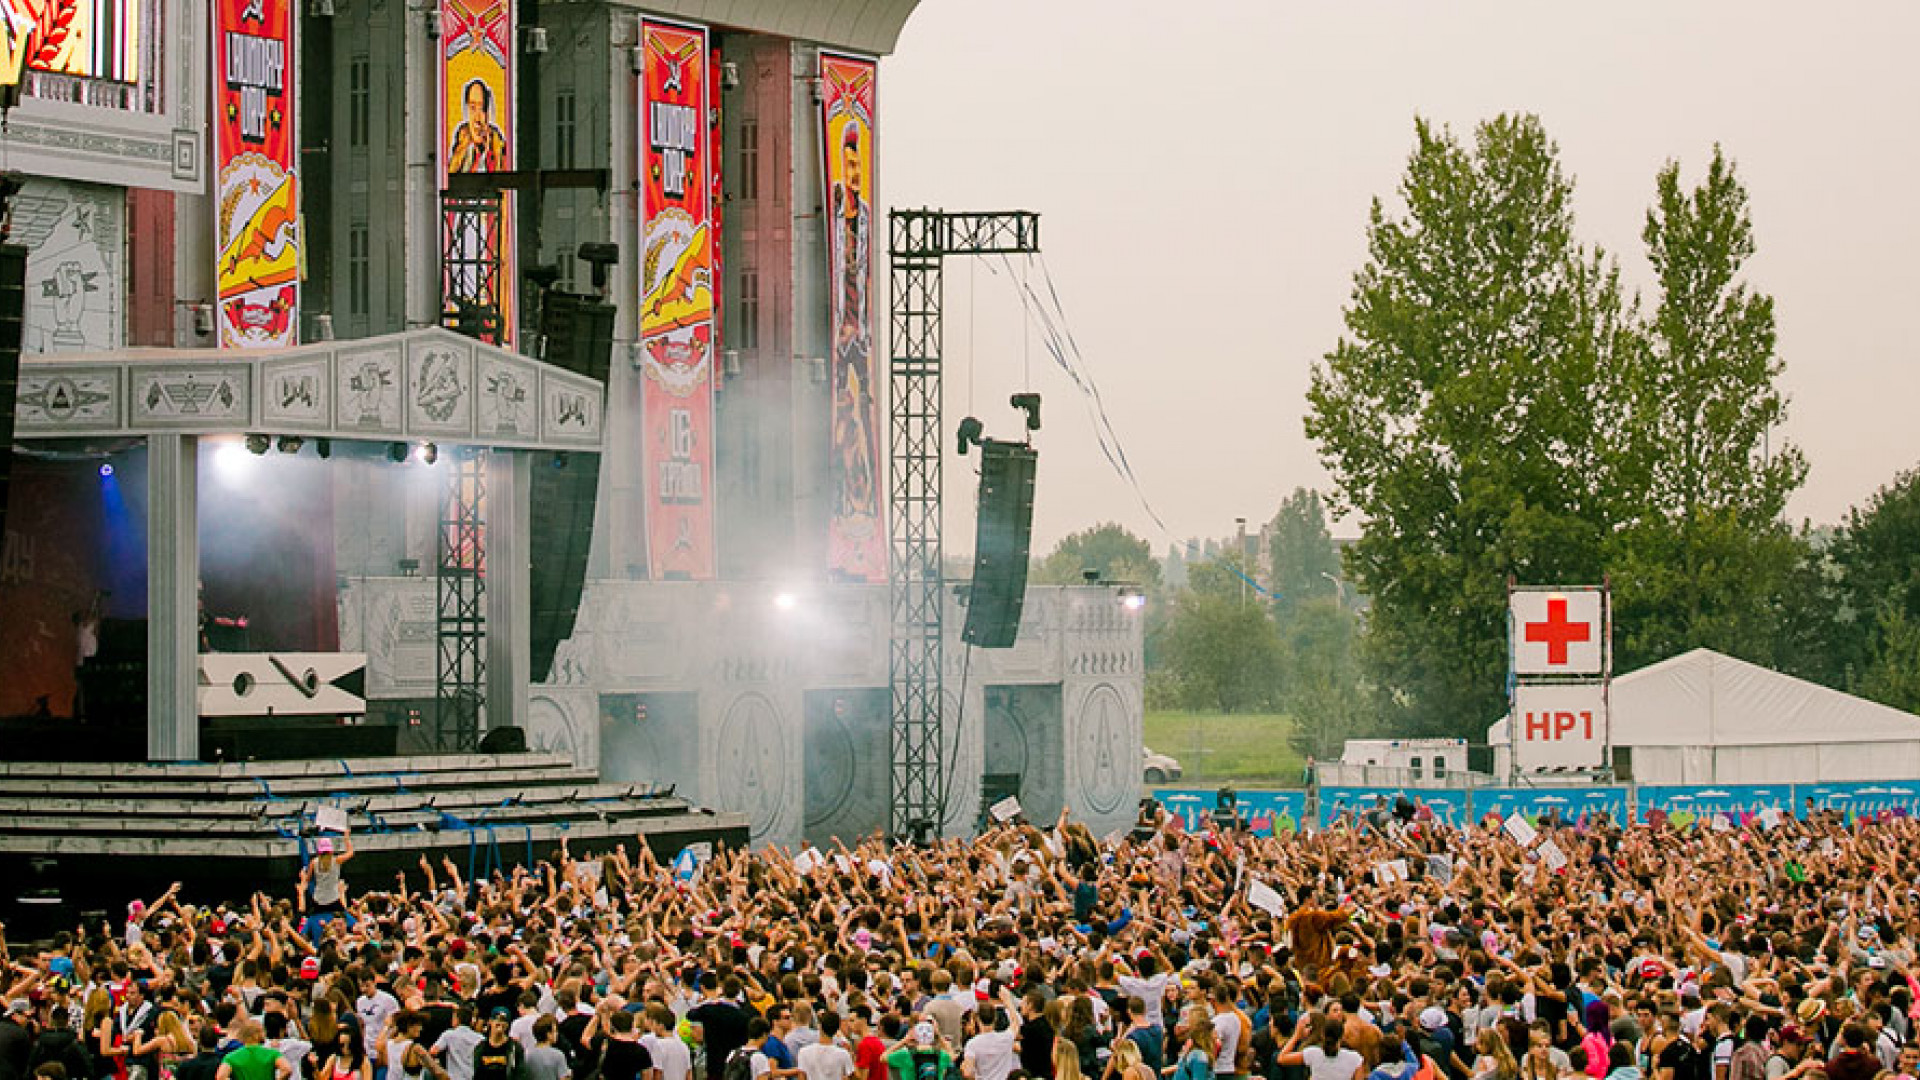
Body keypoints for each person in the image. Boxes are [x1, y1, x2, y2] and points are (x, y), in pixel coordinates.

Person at [447, 80, 509, 173]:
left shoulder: (499, 148)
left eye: (482, 109)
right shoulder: (460, 148)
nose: (477, 119)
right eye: (472, 108)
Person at [218, 1023, 294, 1080]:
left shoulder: (230, 1057)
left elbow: (220, 1077)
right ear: (256, 1035)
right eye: (262, 1031)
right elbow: (287, 1069)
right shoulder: (272, 1054)